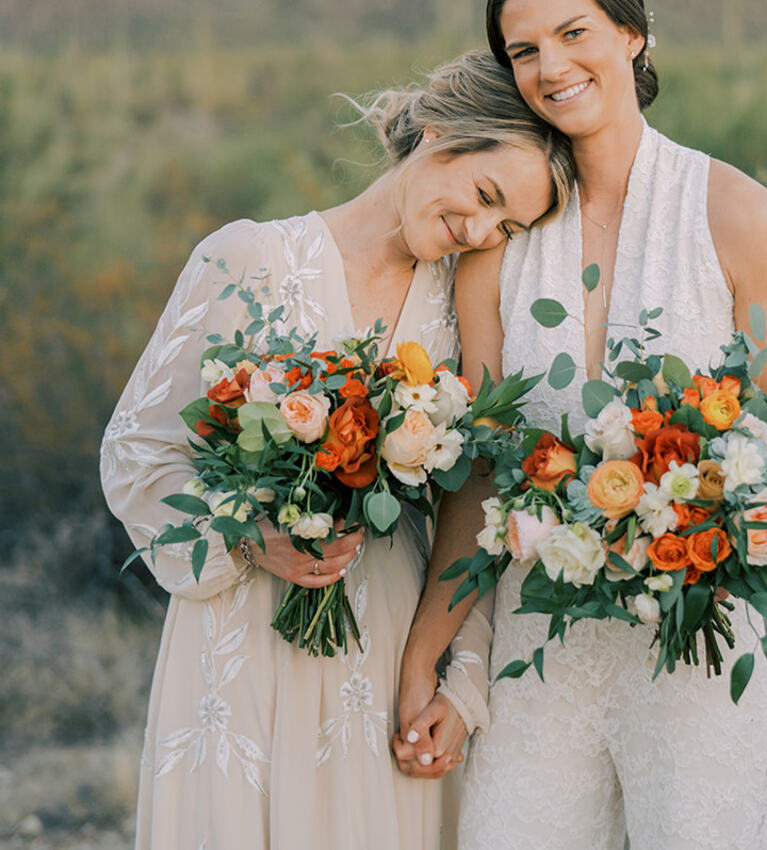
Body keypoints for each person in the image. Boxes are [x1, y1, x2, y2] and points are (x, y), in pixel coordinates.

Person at [100, 48, 574, 850]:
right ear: (436, 133)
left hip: (386, 650)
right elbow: (138, 451)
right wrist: (249, 533)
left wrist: (460, 675)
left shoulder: (464, 308)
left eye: (509, 226)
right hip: (240, 639)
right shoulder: (245, 259)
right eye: (486, 196)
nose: (482, 230)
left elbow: (476, 495)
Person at [398, 0, 767, 849]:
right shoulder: (500, 235)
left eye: (574, 32)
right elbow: (477, 468)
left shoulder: (740, 214)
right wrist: (432, 646)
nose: (552, 67)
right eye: (525, 51)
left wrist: (688, 528)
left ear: (631, 34)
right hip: (538, 646)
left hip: (699, 642)